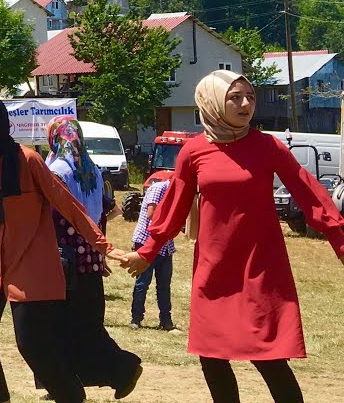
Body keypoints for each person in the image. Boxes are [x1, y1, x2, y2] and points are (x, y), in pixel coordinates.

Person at [122, 71, 344, 403]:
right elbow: (173, 208)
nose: (245, 104)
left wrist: (339, 239)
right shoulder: (193, 152)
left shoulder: (268, 146)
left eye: (250, 97)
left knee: (268, 357)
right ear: (212, 101)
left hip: (260, 269)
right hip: (214, 270)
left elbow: (308, 192)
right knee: (211, 356)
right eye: (235, 97)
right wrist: (148, 251)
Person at [0, 94, 133, 403]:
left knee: (33, 347)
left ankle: (71, 396)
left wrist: (104, 246)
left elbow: (68, 206)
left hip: (31, 268)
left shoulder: (29, 160)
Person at [42, 116, 142, 396]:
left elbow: (51, 217)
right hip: (90, 262)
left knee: (64, 327)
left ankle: (123, 369)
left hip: (63, 263)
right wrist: (97, 245)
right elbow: (109, 209)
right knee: (84, 325)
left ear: (54, 138)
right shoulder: (93, 170)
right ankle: (68, 383)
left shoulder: (56, 171)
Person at [129, 178, 174, 330]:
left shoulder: (176, 193)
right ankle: (136, 318)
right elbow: (152, 214)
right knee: (143, 282)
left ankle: (166, 321)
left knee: (164, 285)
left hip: (165, 244)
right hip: (146, 241)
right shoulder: (158, 188)